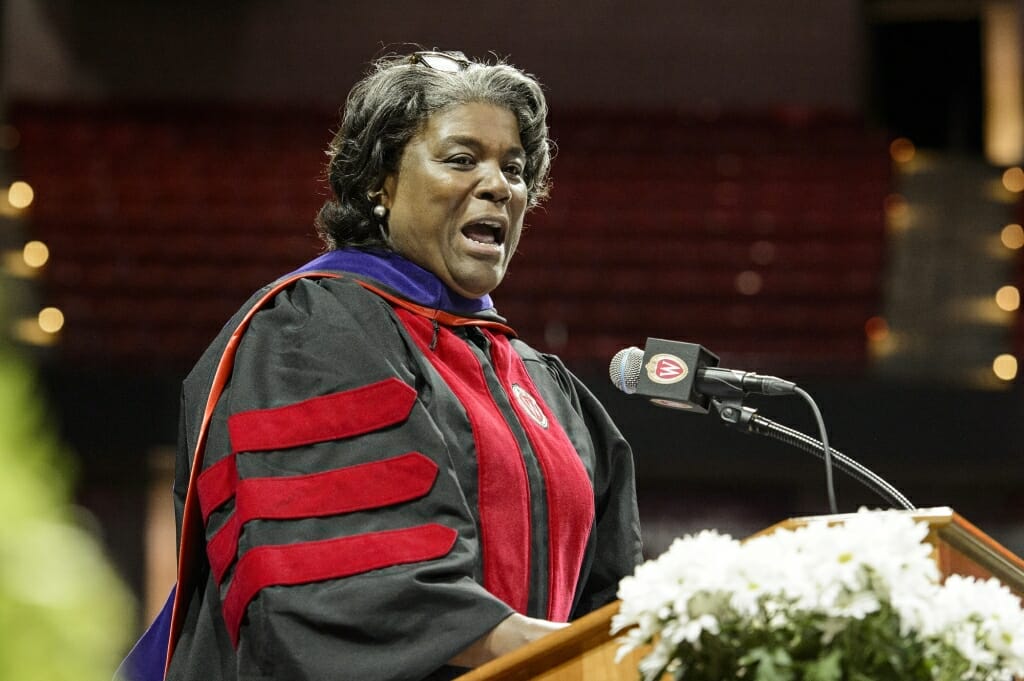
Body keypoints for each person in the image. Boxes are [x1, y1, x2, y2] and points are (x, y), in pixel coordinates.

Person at [165, 50, 642, 681]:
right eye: (462, 158)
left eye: (515, 168)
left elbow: (611, 595)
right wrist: (544, 647)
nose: (499, 185)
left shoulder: (544, 386)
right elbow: (341, 580)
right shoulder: (308, 333)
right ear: (379, 183)